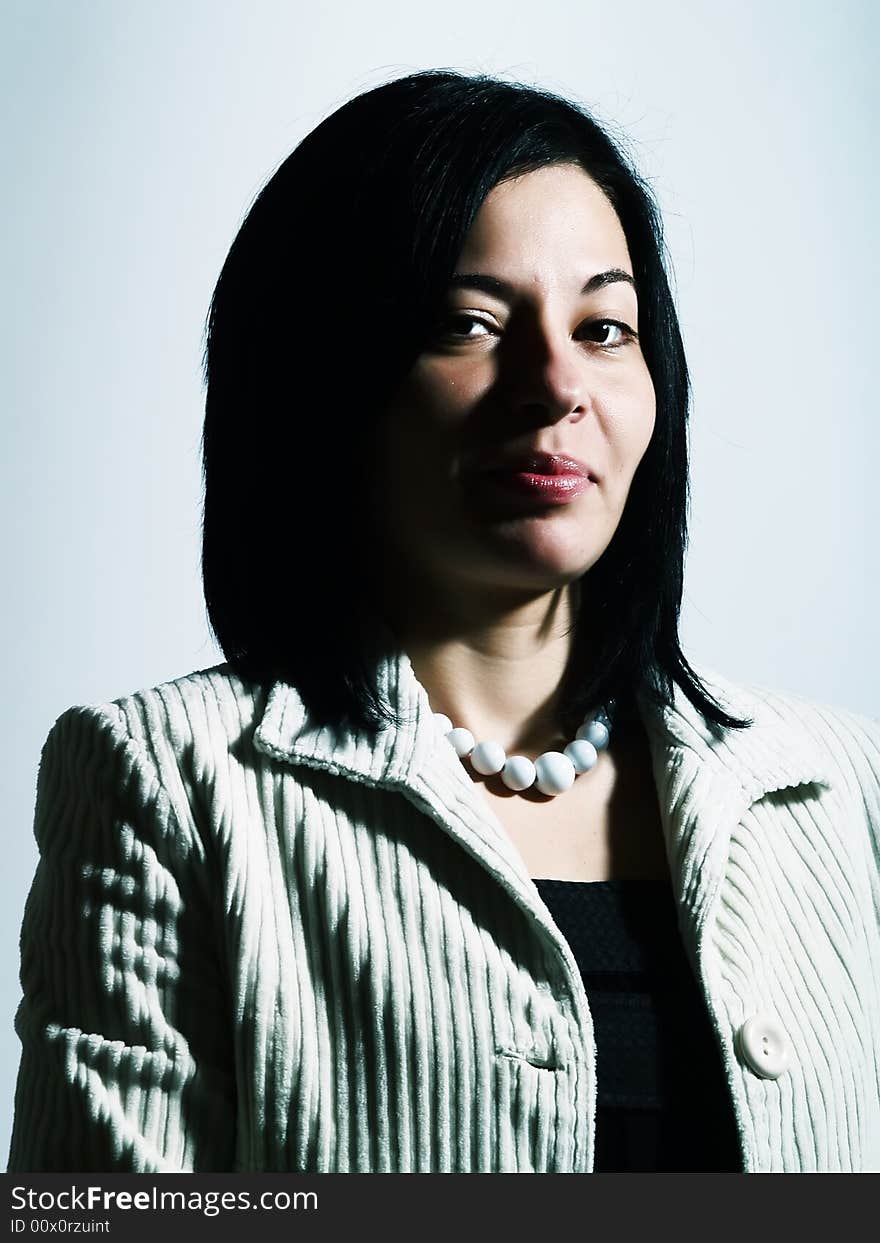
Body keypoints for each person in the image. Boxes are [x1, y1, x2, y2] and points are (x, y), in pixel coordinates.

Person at [8, 70, 880, 1175]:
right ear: (325, 383)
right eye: (467, 324)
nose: (555, 382)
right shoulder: (167, 782)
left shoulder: (840, 790)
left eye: (605, 327)